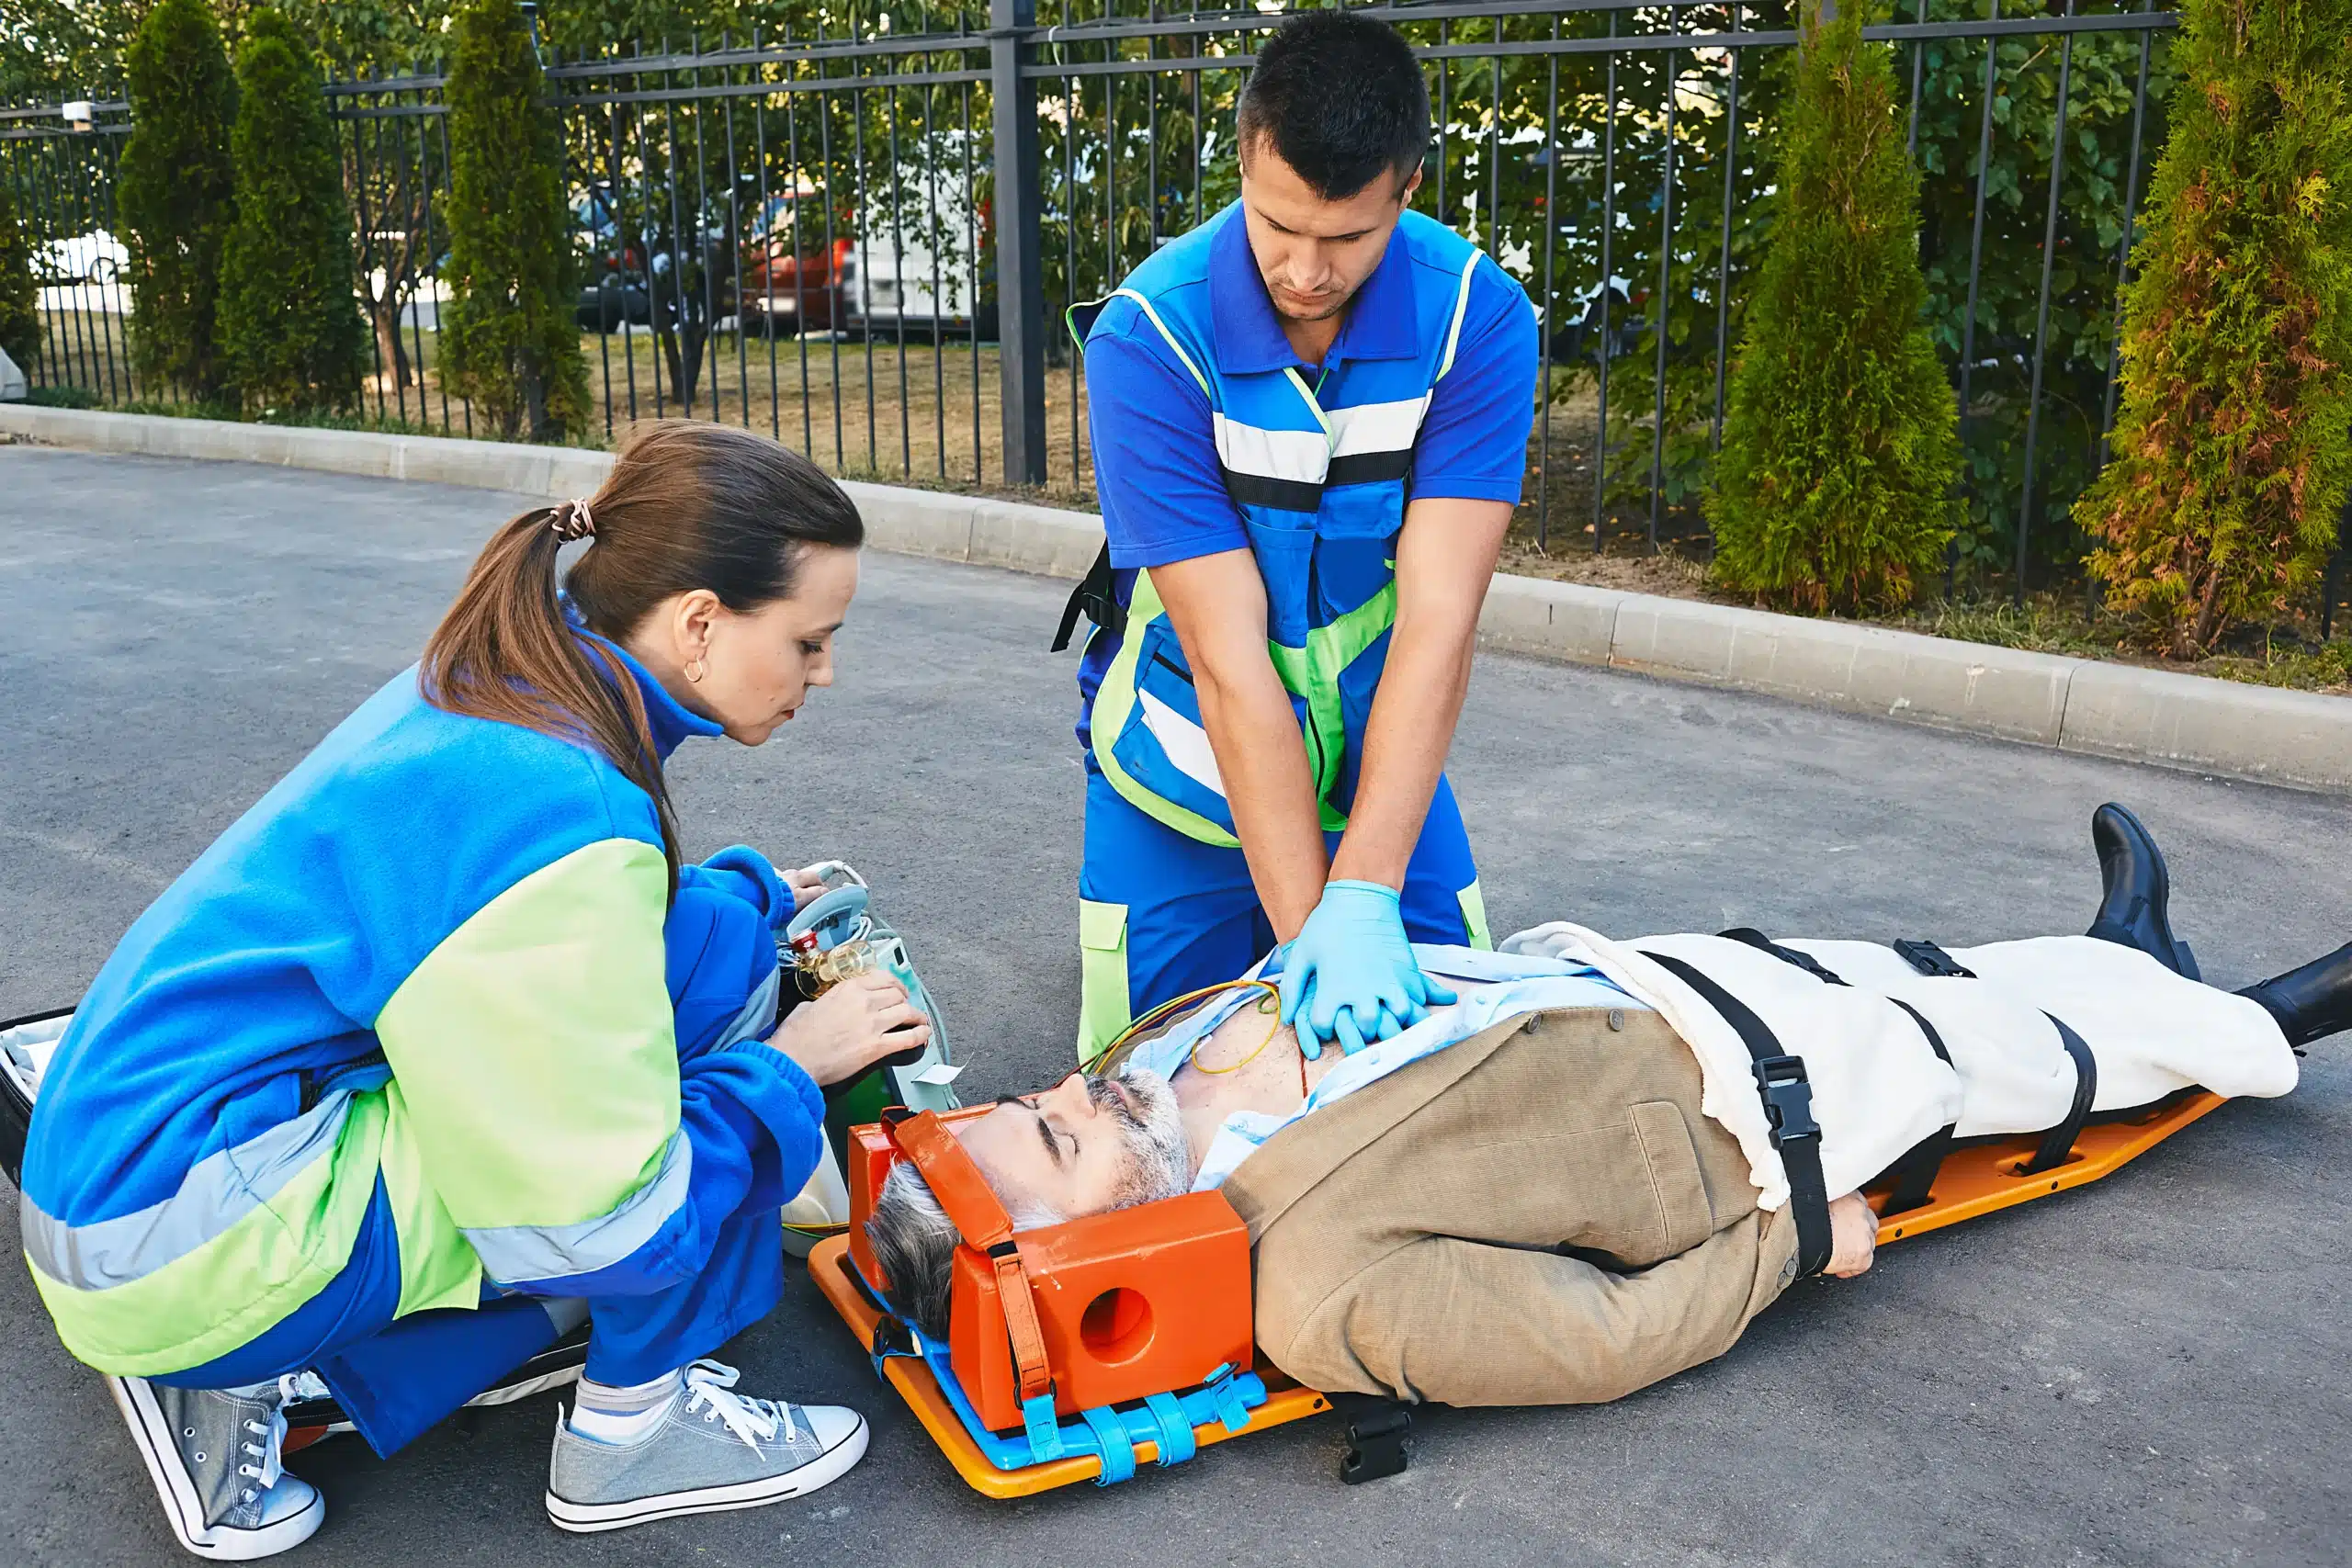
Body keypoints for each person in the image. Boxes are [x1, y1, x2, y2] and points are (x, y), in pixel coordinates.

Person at [18, 423, 932, 1558]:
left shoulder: (507, 682)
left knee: (707, 949)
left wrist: (738, 901)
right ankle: (630, 1441)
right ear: (699, 622)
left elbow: (544, 915)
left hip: (116, 1180)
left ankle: (285, 1383)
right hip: (183, 1247)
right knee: (683, 1125)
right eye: (811, 640)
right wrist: (797, 1069)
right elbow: (611, 1227)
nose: (825, 674)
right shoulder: (568, 817)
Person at [867, 806, 2348, 1407]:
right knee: (1990, 1058)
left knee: (1926, 969)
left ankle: (2123, 949)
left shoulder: (1152, 1068)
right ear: (1081, 1254)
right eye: (1058, 1133)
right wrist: (1791, 1245)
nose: (1068, 1084)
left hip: (1638, 987)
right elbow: (1597, 1337)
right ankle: (2260, 1020)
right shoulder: (1314, 1290)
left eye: (1027, 1095)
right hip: (1737, 1113)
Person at [1058, 10, 1541, 1066]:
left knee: (1463, 1058)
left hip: (1379, 760)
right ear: (1241, 161)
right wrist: (1299, 941)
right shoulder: (1149, 339)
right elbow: (1231, 666)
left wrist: (1361, 895)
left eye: (1347, 237)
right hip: (1182, 762)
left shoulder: (1479, 322)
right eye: (1278, 226)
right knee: (1149, 1081)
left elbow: (1438, 621)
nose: (1306, 271)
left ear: (1408, 188)